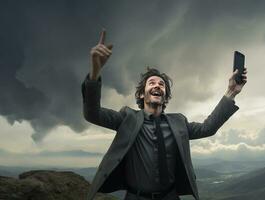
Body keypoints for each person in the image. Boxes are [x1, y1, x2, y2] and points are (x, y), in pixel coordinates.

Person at [81, 30, 247, 200]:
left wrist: (231, 92)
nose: (157, 86)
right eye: (151, 83)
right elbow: (92, 114)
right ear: (141, 94)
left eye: (161, 85)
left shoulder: (179, 122)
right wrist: (95, 72)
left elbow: (208, 128)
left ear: (165, 95)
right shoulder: (127, 118)